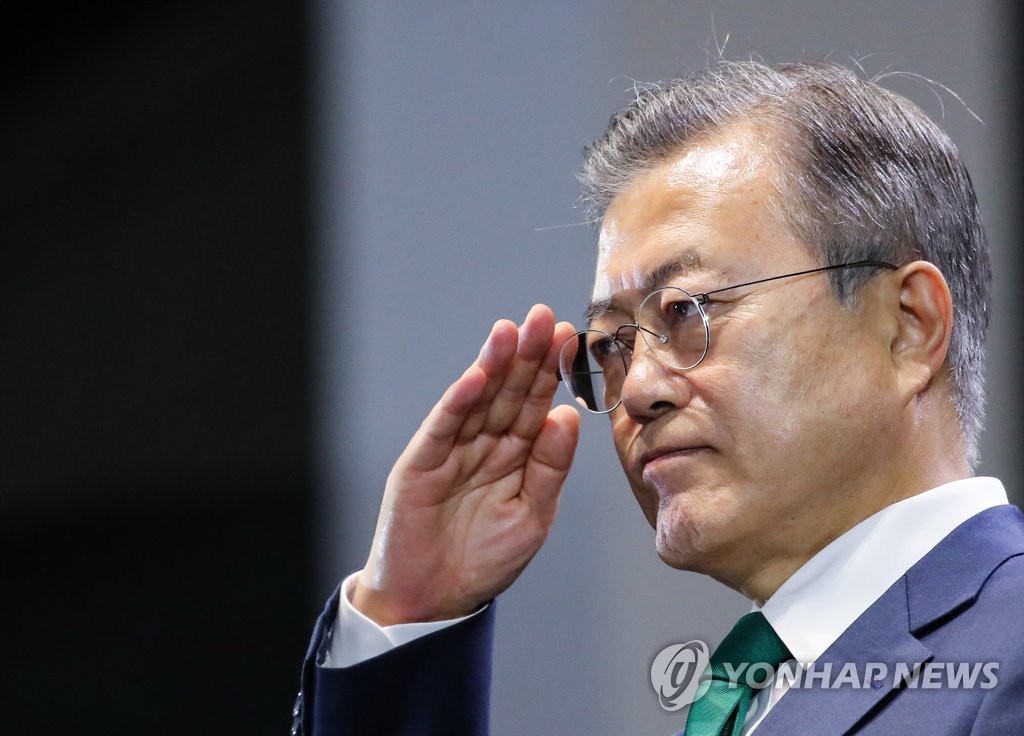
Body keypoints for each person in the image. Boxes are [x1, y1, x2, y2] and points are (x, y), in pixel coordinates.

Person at [292, 59, 1024, 735]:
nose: (637, 389)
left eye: (687, 310)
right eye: (612, 345)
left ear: (907, 327)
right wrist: (411, 615)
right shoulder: (752, 693)